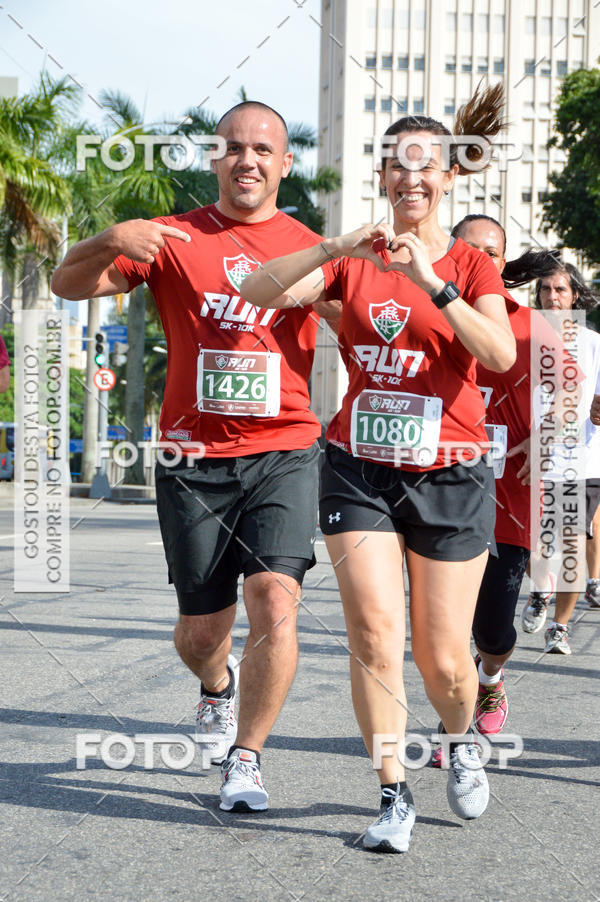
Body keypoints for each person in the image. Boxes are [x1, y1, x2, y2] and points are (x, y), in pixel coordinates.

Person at [242, 85, 516, 852]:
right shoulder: (356, 261)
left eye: (426, 165)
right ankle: (394, 793)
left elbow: (498, 355)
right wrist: (334, 248)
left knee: (443, 661)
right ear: (385, 175)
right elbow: (257, 291)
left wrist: (434, 282)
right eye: (398, 164)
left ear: (449, 177)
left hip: (451, 472)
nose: (411, 177)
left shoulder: (470, 264)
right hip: (359, 467)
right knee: (372, 632)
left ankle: (460, 739)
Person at [52, 101, 330, 813]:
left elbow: (377, 324)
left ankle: (247, 757)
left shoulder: (310, 247)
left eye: (263, 149)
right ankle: (216, 684)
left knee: (275, 601)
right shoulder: (171, 238)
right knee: (202, 633)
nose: (247, 160)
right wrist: (110, 237)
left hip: (284, 448)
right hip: (192, 456)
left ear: (285, 163)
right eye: (233, 147)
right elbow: (66, 285)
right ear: (214, 158)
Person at [443, 215, 567, 736]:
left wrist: (541, 436)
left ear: (503, 261)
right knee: (445, 623)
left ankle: (490, 676)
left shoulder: (532, 326)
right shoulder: (425, 312)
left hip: (509, 493)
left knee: (493, 629)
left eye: (491, 252)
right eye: (468, 248)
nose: (479, 259)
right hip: (439, 487)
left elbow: (567, 396)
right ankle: (453, 726)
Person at [520, 263, 600, 653]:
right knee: (532, 543)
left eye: (561, 290)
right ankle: (540, 589)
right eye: (546, 290)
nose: (552, 297)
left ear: (575, 296)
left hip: (582, 458)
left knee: (571, 544)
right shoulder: (524, 337)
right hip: (533, 455)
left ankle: (560, 627)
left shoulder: (593, 343)